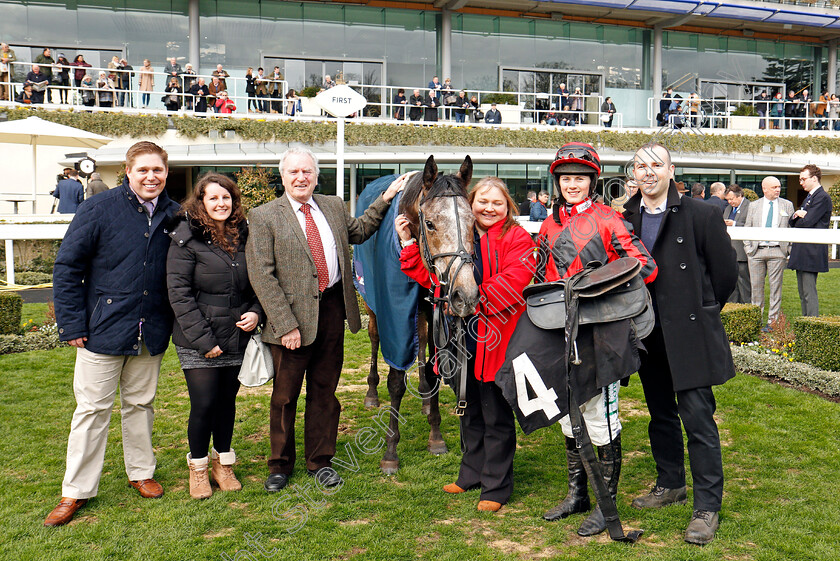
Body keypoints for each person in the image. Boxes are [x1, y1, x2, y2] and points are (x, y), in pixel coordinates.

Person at [245, 147, 407, 493]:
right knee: (284, 397)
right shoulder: (264, 216)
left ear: (316, 176)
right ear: (283, 176)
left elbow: (360, 230)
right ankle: (279, 466)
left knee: (325, 393)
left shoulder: (332, 205)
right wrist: (285, 324)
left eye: (307, 171)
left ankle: (320, 461)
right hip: (289, 320)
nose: (301, 177)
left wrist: (387, 197)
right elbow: (262, 275)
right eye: (293, 172)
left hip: (332, 311)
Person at [46, 141, 180, 527]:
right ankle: (75, 491)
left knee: (140, 405)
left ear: (166, 172)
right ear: (128, 171)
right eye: (143, 170)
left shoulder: (175, 214)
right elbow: (67, 268)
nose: (151, 177)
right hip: (101, 330)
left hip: (150, 328)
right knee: (91, 411)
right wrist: (71, 323)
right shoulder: (97, 208)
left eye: (157, 170)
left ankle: (141, 472)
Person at [534, 143, 656, 536]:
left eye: (580, 178)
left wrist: (591, 283)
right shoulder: (549, 225)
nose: (572, 184)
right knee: (569, 414)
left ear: (592, 182)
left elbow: (644, 266)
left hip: (601, 332)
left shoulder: (608, 219)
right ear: (557, 181)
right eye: (566, 178)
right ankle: (577, 495)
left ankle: (607, 504)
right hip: (559, 330)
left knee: (601, 418)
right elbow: (540, 271)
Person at [397, 176, 535, 513]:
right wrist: (408, 243)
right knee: (468, 408)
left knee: (495, 414)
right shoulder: (464, 236)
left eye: (497, 203)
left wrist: (473, 298)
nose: (489, 208)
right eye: (482, 202)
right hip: (461, 341)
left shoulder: (517, 238)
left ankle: (496, 485)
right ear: (470, 206)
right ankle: (471, 472)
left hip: (498, 339)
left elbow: (518, 278)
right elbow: (436, 278)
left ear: (508, 207)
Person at [623, 142, 737, 546]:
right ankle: (670, 483)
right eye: (641, 165)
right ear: (633, 173)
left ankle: (707, 506)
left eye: (657, 164)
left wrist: (702, 310)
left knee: (698, 420)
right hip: (646, 333)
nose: (648, 171)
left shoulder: (702, 214)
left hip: (688, 333)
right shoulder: (626, 217)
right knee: (660, 415)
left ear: (672, 170)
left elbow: (725, 275)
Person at [167, 173, 262, 499]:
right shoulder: (185, 238)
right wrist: (205, 343)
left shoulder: (245, 235)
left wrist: (256, 312)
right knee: (204, 404)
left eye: (227, 198)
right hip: (199, 339)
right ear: (201, 202)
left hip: (237, 335)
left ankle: (224, 464)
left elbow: (259, 282)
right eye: (213, 198)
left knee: (226, 404)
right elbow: (179, 294)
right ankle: (198, 467)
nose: (221, 204)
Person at [743, 176, 793, 327]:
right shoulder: (754, 206)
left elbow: (791, 229)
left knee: (775, 290)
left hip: (778, 252)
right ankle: (756, 323)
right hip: (756, 252)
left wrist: (787, 250)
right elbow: (747, 227)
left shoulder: (787, 205)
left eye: (779, 187)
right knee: (756, 289)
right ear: (764, 189)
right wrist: (748, 248)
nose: (778, 189)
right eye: (774, 187)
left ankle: (772, 324)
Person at [788, 164, 832, 317]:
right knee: (802, 293)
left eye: (803, 179)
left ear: (814, 178)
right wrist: (799, 216)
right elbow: (792, 221)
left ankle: (811, 323)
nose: (801, 182)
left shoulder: (822, 197)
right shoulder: (810, 197)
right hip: (803, 250)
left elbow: (807, 222)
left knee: (808, 292)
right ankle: (805, 324)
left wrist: (800, 216)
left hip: (811, 251)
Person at [723, 185, 751, 304]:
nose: (730, 202)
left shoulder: (749, 206)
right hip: (729, 252)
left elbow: (751, 225)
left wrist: (734, 224)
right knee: (732, 284)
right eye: (728, 200)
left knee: (744, 284)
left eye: (732, 199)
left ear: (739, 196)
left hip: (742, 252)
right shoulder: (728, 208)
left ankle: (747, 307)